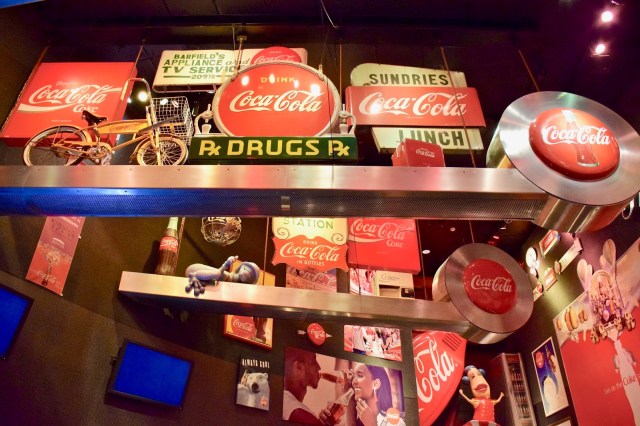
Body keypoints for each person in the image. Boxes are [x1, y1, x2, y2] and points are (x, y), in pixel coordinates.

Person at [283, 347, 332, 425]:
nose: (319, 367)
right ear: (299, 368)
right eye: (313, 361)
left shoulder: (285, 404)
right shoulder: (298, 412)